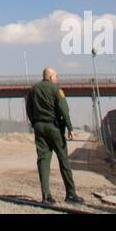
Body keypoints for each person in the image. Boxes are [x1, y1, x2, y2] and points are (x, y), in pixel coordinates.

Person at [26, 67, 83, 205]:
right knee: (63, 159)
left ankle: (46, 195)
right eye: (56, 76)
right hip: (54, 128)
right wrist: (70, 128)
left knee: (43, 160)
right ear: (51, 77)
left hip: (39, 127)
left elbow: (28, 108)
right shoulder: (56, 89)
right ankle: (71, 194)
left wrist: (34, 122)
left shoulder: (33, 90)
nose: (57, 78)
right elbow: (64, 109)